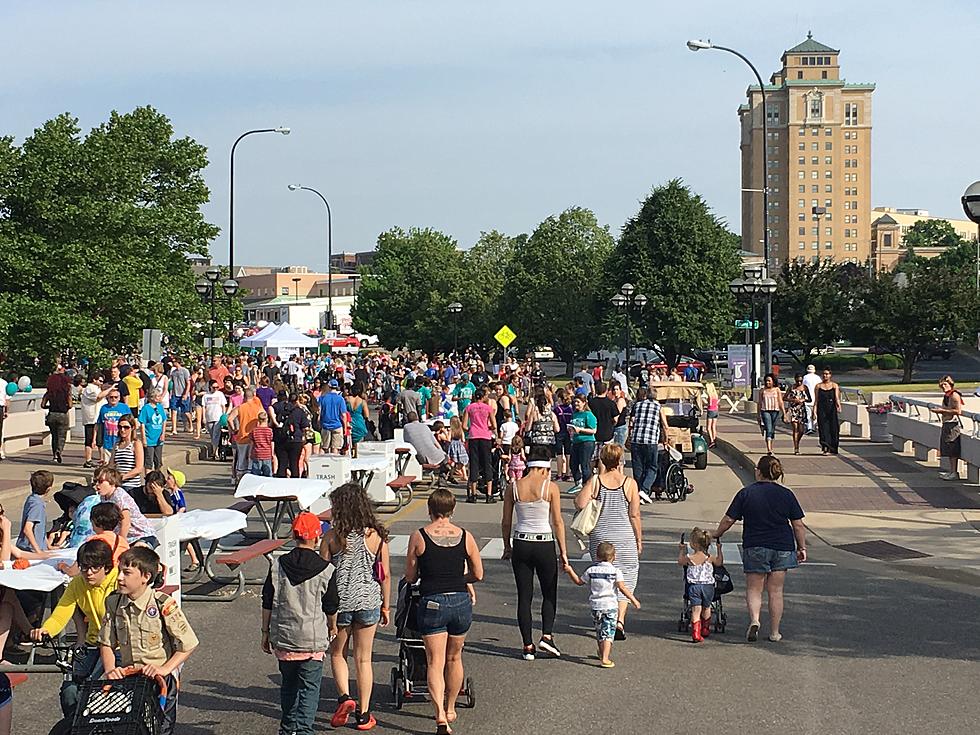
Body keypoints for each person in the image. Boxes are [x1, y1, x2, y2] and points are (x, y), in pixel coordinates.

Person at [404, 489, 483, 734]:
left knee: (434, 662)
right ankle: (450, 707)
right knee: (454, 657)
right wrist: (461, 578)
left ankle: (440, 716)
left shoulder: (419, 536)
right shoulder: (465, 536)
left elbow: (410, 575)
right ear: (452, 510)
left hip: (433, 601)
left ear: (430, 510)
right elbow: (478, 574)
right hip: (460, 600)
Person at [99, 546, 199, 735]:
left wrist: (165, 669)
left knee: (160, 729)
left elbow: (189, 643)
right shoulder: (114, 603)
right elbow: (106, 643)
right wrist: (111, 670)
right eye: (119, 570)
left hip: (160, 682)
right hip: (129, 679)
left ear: (145, 577)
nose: (119, 577)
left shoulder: (162, 603)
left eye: (126, 573)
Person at [321, 483, 391, 731]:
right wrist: (386, 606)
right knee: (364, 659)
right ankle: (364, 714)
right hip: (369, 600)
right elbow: (385, 575)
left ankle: (344, 698)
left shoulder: (331, 537)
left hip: (339, 603)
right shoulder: (376, 536)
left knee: (338, 653)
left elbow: (323, 575)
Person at [713, 455, 806, 642]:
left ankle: (755, 620)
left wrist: (717, 534)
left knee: (754, 589)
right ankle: (774, 631)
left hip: (755, 544)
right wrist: (801, 546)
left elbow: (729, 519)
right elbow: (798, 525)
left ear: (759, 472)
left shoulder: (746, 493)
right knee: (776, 591)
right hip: (782, 546)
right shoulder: (787, 494)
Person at [262, 513, 336, 735]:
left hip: (285, 638)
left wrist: (265, 632)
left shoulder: (278, 565)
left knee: (289, 686)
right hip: (312, 641)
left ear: (294, 535)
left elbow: (267, 600)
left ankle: (287, 729)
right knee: (309, 689)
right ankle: (304, 730)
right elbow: (331, 605)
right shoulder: (326, 569)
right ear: (317, 536)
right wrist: (332, 626)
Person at [32, 539, 119, 719]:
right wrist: (45, 630)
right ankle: (74, 726)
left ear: (107, 566)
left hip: (119, 646)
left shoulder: (119, 582)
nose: (88, 572)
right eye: (84, 567)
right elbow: (61, 612)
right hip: (93, 643)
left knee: (114, 691)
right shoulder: (77, 583)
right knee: (70, 690)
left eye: (94, 567)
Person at [501, 446, 568, 660]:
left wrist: (507, 546)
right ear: (543, 468)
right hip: (544, 542)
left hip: (521, 541)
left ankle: (527, 645)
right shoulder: (550, 487)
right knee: (549, 592)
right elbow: (557, 521)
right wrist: (563, 551)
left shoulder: (514, 487)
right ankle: (546, 636)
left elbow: (506, 521)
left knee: (525, 595)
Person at [574, 443, 641, 641]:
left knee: (604, 576)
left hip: (601, 536)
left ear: (602, 460)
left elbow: (580, 503)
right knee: (626, 576)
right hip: (624, 536)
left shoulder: (596, 481)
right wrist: (638, 539)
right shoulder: (629, 483)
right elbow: (635, 514)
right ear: (620, 461)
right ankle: (619, 621)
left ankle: (603, 615)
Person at [564, 541, 640, 668]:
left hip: (596, 606)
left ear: (597, 556)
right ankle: (605, 658)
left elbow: (579, 581)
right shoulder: (616, 572)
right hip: (610, 606)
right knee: (609, 633)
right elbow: (622, 588)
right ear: (613, 557)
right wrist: (633, 599)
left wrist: (570, 570)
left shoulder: (591, 570)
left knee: (600, 631)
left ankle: (601, 652)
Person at [677, 528, 723, 643]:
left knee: (695, 610)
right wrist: (719, 549)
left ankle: (696, 633)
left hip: (694, 587)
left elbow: (680, 561)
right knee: (706, 607)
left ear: (694, 544)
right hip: (708, 587)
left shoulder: (689, 558)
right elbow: (719, 563)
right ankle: (705, 629)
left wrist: (681, 550)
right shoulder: (710, 558)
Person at [626, 386, 670, 503]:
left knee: (638, 467)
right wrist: (666, 440)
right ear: (656, 396)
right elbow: (665, 426)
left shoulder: (638, 405)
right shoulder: (658, 407)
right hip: (650, 441)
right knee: (652, 467)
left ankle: (638, 492)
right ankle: (644, 490)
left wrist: (629, 436)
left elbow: (632, 421)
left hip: (636, 439)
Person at [463, 388, 497, 503]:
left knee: (474, 463)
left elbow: (464, 426)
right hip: (485, 436)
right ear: (483, 397)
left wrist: (471, 428)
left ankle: (473, 494)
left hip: (473, 436)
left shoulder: (469, 408)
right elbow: (494, 425)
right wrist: (488, 428)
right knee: (487, 463)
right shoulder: (488, 408)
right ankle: (489, 494)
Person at [227, 386, 264, 482]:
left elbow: (229, 419)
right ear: (253, 396)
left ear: (244, 397)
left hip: (242, 437)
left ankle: (240, 479)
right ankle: (250, 480)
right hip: (254, 437)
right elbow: (264, 418)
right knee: (251, 460)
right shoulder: (258, 408)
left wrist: (234, 429)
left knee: (241, 459)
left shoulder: (240, 408)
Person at [932, 375, 964, 480]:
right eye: (941, 386)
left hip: (952, 424)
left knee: (952, 448)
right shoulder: (947, 395)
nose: (943, 387)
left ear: (950, 384)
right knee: (948, 449)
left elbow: (958, 411)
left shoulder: (954, 395)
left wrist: (942, 411)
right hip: (946, 423)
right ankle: (951, 471)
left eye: (945, 385)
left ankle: (954, 472)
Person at [16, 470, 54, 553]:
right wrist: (38, 551)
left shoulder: (32, 499)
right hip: (30, 549)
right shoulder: (37, 505)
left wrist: (48, 546)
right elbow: (27, 529)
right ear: (48, 489)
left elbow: (41, 530)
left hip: (34, 547)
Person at [42, 363, 73, 463]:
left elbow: (42, 405)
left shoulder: (49, 392)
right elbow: (70, 404)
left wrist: (49, 406)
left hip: (52, 414)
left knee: (54, 436)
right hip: (62, 414)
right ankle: (59, 451)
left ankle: (54, 455)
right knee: (61, 436)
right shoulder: (66, 392)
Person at [567, 394, 597, 493]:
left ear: (584, 403)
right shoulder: (574, 414)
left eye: (578, 402)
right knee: (573, 464)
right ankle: (578, 482)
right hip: (575, 441)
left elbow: (593, 430)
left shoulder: (588, 415)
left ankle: (587, 486)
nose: (576, 404)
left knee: (585, 465)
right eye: (575, 402)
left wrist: (580, 430)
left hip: (587, 442)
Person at [110, 415, 145, 496]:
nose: (122, 430)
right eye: (120, 427)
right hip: (118, 485)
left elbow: (139, 468)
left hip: (132, 486)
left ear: (132, 428)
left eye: (126, 427)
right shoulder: (117, 444)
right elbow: (111, 464)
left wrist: (123, 477)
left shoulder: (136, 444)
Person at [97, 388, 132, 463]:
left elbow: (131, 423)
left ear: (119, 398)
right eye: (111, 397)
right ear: (108, 398)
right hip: (107, 441)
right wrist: (95, 439)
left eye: (116, 397)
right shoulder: (103, 408)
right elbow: (99, 424)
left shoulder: (124, 407)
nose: (113, 399)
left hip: (121, 440)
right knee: (107, 465)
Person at [812, 367, 841, 455]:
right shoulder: (818, 386)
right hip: (822, 409)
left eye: (827, 374)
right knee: (823, 428)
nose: (825, 376)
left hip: (831, 408)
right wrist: (814, 411)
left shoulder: (834, 385)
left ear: (830, 375)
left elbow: (836, 397)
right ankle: (825, 447)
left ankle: (833, 447)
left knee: (833, 428)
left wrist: (838, 406)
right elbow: (816, 400)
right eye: (824, 374)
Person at [138, 389, 168, 471]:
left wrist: (163, 433)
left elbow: (164, 420)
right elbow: (142, 423)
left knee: (158, 461)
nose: (159, 398)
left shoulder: (160, 407)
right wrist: (143, 438)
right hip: (149, 439)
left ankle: (158, 478)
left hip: (159, 438)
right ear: (152, 397)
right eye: (157, 396)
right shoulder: (146, 408)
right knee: (149, 461)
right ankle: (149, 479)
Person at [80, 374, 104, 468]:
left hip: (97, 418)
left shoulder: (96, 388)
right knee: (90, 440)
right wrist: (109, 389)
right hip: (91, 419)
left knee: (100, 440)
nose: (101, 383)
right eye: (100, 381)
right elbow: (98, 397)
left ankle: (102, 459)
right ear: (94, 380)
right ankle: (88, 460)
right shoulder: (90, 388)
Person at [318, 380, 349, 455]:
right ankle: (334, 465)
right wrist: (345, 427)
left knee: (324, 447)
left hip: (325, 425)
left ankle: (321, 464)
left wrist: (319, 423)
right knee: (335, 447)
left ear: (329, 386)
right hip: (337, 425)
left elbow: (319, 412)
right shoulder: (340, 399)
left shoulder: (323, 398)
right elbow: (343, 415)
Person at [757, 373, 785, 456]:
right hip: (765, 411)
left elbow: (780, 401)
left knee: (772, 429)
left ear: (773, 381)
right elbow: (759, 403)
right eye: (766, 381)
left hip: (775, 411)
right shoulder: (762, 390)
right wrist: (758, 415)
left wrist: (784, 412)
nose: (768, 383)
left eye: (769, 381)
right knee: (768, 428)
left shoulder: (777, 390)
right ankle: (769, 448)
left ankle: (771, 446)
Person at [784, 374, 811, 455]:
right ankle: (796, 448)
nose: (799, 382)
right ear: (795, 380)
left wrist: (803, 399)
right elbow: (784, 397)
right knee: (795, 429)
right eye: (797, 381)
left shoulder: (805, 388)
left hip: (801, 410)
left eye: (800, 381)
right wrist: (792, 400)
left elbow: (810, 399)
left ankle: (797, 442)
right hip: (793, 409)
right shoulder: (791, 388)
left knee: (801, 430)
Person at [202, 379, 227, 459]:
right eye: (214, 387)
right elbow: (203, 407)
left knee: (216, 435)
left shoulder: (220, 394)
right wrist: (203, 417)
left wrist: (224, 416)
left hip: (218, 418)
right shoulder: (206, 396)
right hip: (209, 417)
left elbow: (223, 405)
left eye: (217, 387)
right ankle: (215, 449)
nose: (216, 389)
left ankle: (215, 452)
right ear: (210, 387)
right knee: (212, 435)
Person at [347, 381, 371, 457]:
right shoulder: (362, 401)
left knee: (348, 444)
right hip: (359, 424)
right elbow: (367, 415)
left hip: (349, 423)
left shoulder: (347, 399)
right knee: (358, 446)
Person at [250, 411, 275, 476]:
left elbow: (252, 443)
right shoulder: (269, 431)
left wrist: (250, 453)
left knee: (256, 474)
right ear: (267, 419)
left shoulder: (254, 431)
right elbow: (271, 443)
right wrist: (272, 453)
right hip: (267, 454)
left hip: (257, 454)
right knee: (267, 474)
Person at [446, 417, 469, 483]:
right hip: (460, 446)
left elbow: (448, 439)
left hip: (453, 446)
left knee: (453, 462)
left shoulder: (451, 430)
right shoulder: (460, 430)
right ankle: (465, 476)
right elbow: (463, 439)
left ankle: (451, 475)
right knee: (462, 462)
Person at [801, 364, 821, 434]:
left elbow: (802, 387)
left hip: (807, 399)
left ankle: (809, 427)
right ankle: (815, 426)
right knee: (815, 413)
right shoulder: (818, 378)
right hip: (816, 398)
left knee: (808, 414)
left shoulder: (805, 377)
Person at [703, 381, 720, 449]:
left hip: (710, 410)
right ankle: (714, 439)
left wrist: (704, 402)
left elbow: (709, 404)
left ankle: (711, 441)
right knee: (714, 426)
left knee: (708, 427)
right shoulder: (715, 395)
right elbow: (717, 402)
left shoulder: (710, 396)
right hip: (716, 410)